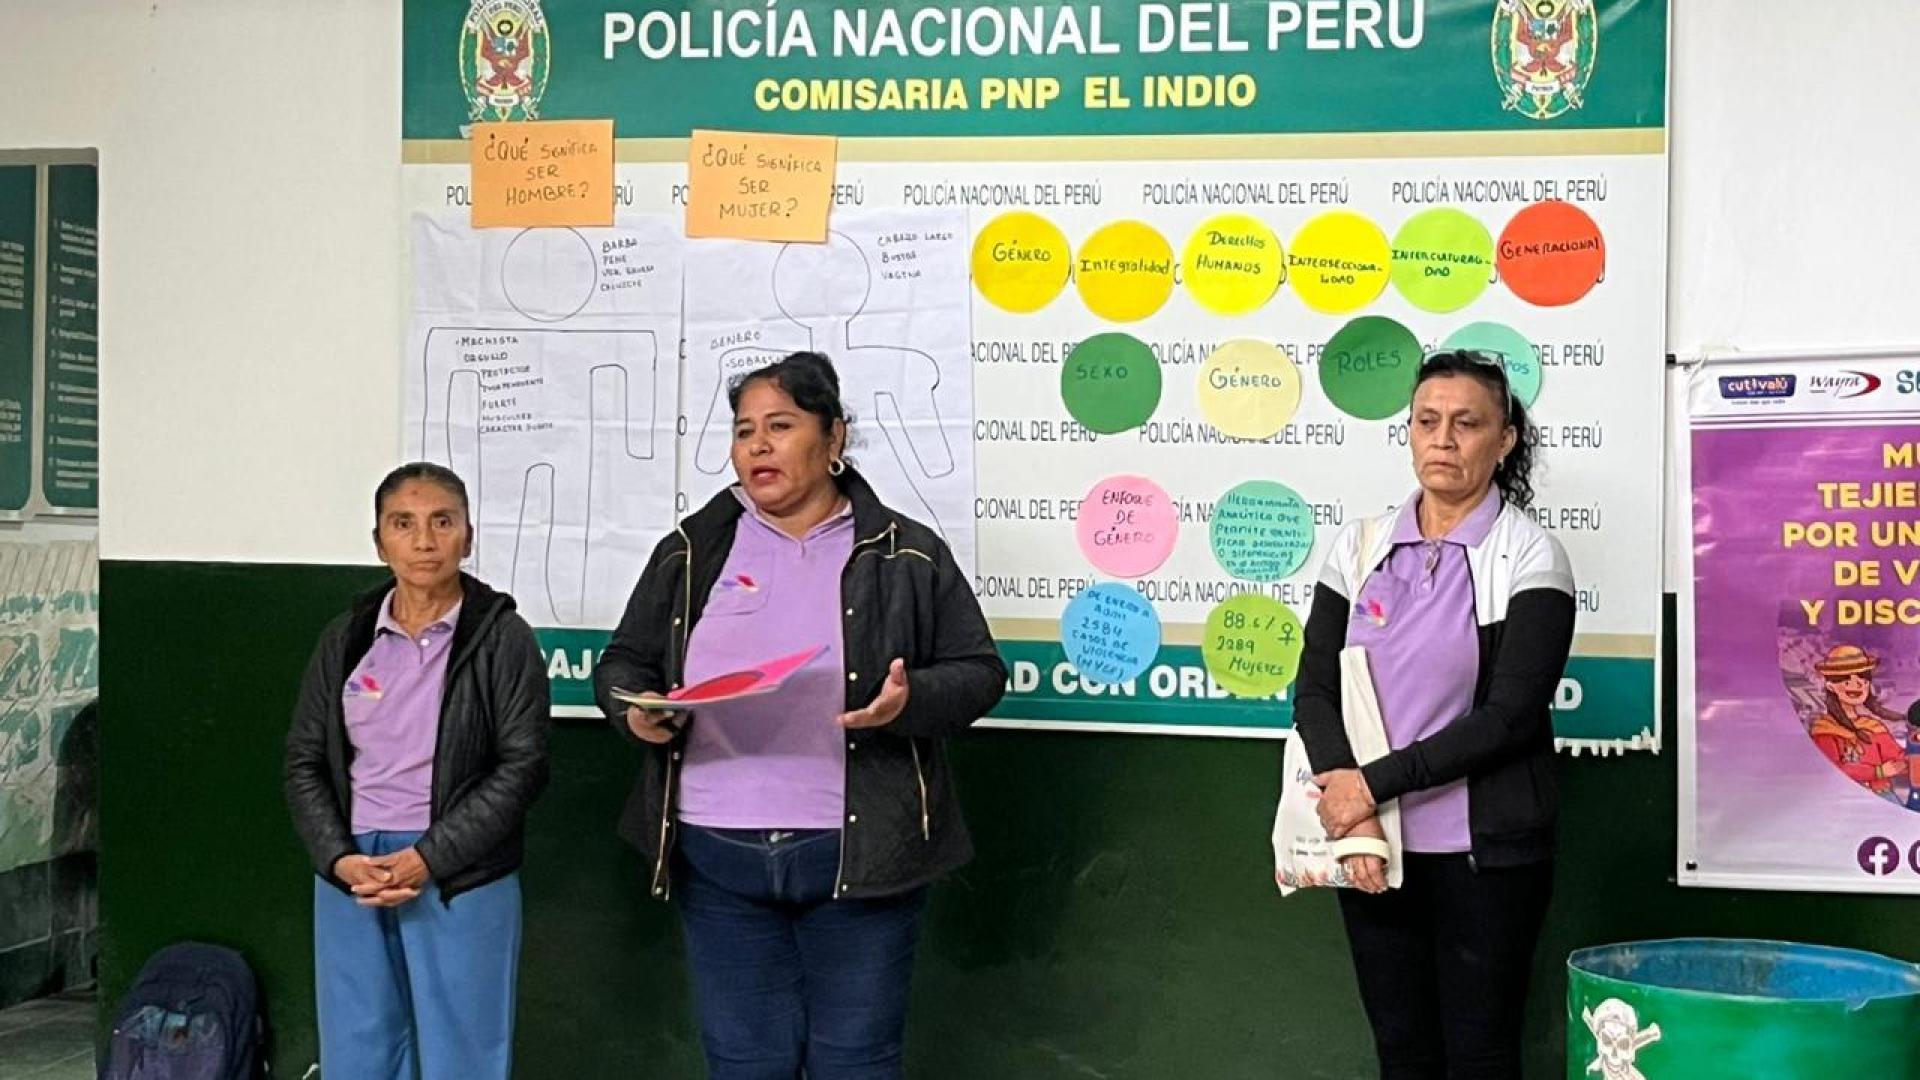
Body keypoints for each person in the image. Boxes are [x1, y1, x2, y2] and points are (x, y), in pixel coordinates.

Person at [593, 350, 1005, 1080]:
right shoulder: (691, 551)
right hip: (715, 854)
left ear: (834, 436)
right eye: (744, 430)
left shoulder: (906, 553)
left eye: (780, 426)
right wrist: (637, 713)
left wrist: (909, 702)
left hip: (863, 855)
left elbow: (979, 674)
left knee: (856, 1062)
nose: (758, 445)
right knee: (745, 1063)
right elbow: (623, 663)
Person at [1291, 350, 1575, 1080]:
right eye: (1427, 421)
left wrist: (1369, 785)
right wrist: (1355, 816)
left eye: (1466, 423)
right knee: (1402, 1050)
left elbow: (1509, 718)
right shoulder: (1358, 546)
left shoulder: (1530, 556)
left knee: (1480, 1055)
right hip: (1374, 846)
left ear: (1504, 440)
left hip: (1486, 859)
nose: (1443, 439)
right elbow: (1314, 691)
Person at [284, 462, 550, 1080]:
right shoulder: (347, 637)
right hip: (355, 873)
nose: (424, 541)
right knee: (359, 1051)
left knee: (464, 1053)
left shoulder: (502, 638)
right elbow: (304, 761)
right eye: (403, 524)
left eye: (442, 522)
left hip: (460, 875)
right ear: (380, 542)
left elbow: (523, 766)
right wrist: (339, 859)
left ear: (468, 537)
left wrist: (429, 858)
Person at [1807, 644, 1907, 799]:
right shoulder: (1825, 730)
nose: (1857, 684)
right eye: (1846, 679)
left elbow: (1898, 757)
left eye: (1862, 677)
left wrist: (1910, 759)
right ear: (1830, 686)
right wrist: (1877, 772)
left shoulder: (1874, 727)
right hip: (1844, 798)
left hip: (1883, 794)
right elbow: (1832, 769)